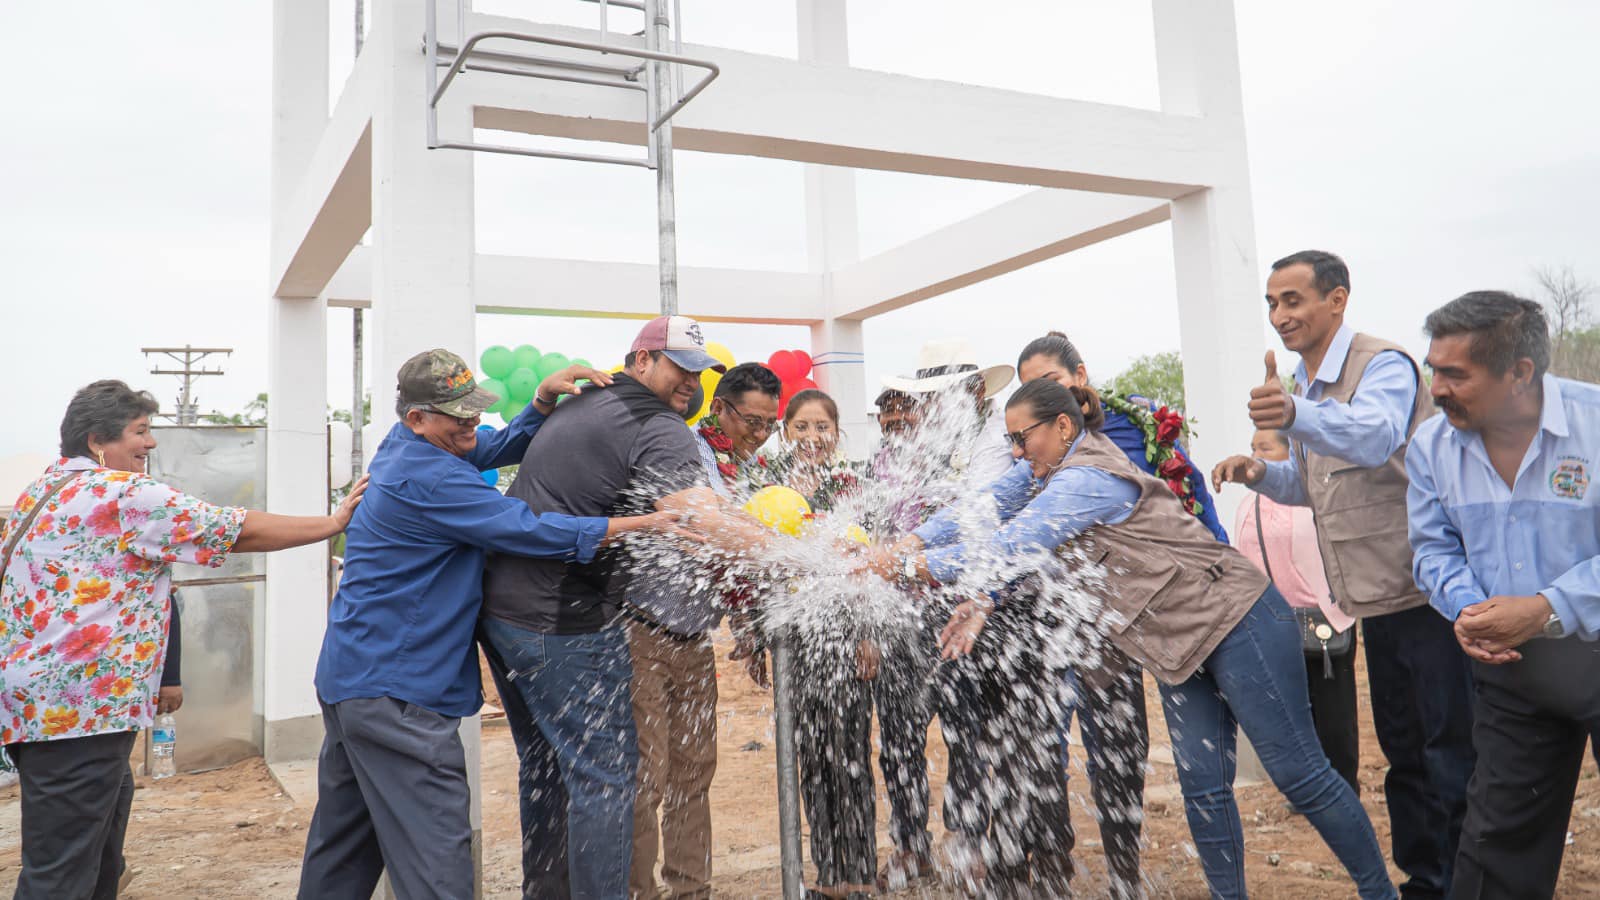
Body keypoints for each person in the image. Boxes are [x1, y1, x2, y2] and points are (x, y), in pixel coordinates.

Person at [872, 378, 1397, 899]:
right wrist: (911, 541)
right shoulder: (1041, 471)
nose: (1014, 451)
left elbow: (1011, 543)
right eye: (1009, 440)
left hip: (1239, 622)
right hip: (1175, 648)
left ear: (1061, 426)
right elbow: (981, 510)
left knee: (1299, 775)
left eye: (1022, 437)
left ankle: (1380, 893)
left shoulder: (1087, 478)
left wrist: (903, 565)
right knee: (1205, 791)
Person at [298, 349, 683, 899]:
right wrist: (643, 523)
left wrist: (542, 402)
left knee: (343, 849)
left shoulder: (405, 446)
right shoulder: (431, 479)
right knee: (436, 861)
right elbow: (527, 529)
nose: (472, 425)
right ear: (418, 417)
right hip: (400, 693)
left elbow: (489, 447)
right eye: (460, 416)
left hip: (351, 681)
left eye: (475, 411)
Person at [0, 379, 368, 900]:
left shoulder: (41, 491)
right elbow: (233, 530)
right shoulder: (122, 494)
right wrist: (331, 523)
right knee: (59, 868)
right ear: (96, 441)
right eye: (140, 432)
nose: (150, 444)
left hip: (41, 707)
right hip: (80, 711)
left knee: (97, 853)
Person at [1213, 250, 1474, 898]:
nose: (1279, 316)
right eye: (1272, 303)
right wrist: (1260, 474)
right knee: (1404, 753)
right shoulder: (1303, 388)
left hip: (1426, 592)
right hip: (1372, 599)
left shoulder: (1381, 365)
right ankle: (1424, 879)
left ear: (1337, 299)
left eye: (1293, 300)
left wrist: (1293, 416)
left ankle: (1468, 880)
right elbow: (1312, 485)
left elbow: (1376, 436)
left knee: (1450, 752)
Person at [480, 315, 761, 899]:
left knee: (548, 769)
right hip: (563, 618)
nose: (690, 382)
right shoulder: (660, 426)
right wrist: (803, 556)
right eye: (677, 367)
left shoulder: (581, 402)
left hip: (504, 610)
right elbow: (701, 520)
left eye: (698, 373)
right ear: (640, 361)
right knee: (609, 778)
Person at [1017, 329, 1233, 897]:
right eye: (1029, 389)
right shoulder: (1029, 451)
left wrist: (1221, 578)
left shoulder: (1137, 431)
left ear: (1080, 378)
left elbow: (1192, 507)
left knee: (1119, 748)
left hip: (1122, 621)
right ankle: (1052, 870)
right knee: (1042, 742)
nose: (1043, 396)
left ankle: (1123, 876)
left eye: (1052, 383)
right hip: (1054, 615)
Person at [1406, 291, 1600, 898]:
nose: (1436, 388)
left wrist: (1547, 608)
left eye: (1455, 374)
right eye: (1433, 369)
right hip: (1515, 671)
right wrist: (1470, 609)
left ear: (1520, 374)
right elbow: (1432, 550)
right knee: (1495, 855)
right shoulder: (1432, 448)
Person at [625, 361, 782, 900]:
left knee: (693, 774)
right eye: (750, 422)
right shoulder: (680, 451)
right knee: (646, 778)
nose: (758, 436)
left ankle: (692, 890)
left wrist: (750, 624)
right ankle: (637, 892)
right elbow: (708, 534)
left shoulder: (749, 474)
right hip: (640, 633)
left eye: (769, 426)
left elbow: (737, 566)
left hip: (693, 639)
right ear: (719, 408)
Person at [865, 340, 1014, 891]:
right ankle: (908, 846)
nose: (931, 406)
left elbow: (988, 528)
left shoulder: (997, 447)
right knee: (901, 736)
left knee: (966, 732)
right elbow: (876, 531)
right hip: (899, 616)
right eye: (929, 395)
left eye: (944, 393)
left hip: (962, 612)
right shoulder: (887, 457)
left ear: (975, 393)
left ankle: (969, 842)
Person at [767, 388, 878, 899]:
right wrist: (754, 638)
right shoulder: (766, 488)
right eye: (802, 427)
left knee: (850, 753)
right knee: (810, 756)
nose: (813, 437)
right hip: (793, 643)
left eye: (823, 427)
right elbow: (754, 569)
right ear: (785, 431)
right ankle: (826, 875)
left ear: (837, 433)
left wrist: (868, 634)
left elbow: (872, 570)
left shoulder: (854, 487)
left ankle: (858, 872)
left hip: (846, 637)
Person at [1232, 429, 1360, 792]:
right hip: (1274, 627)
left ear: (1290, 455)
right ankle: (1308, 788)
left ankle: (1343, 787)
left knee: (1334, 715)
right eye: (1253, 446)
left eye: (1265, 448)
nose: (1256, 454)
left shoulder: (1312, 498)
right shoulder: (1250, 503)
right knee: (1293, 712)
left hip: (1324, 623)